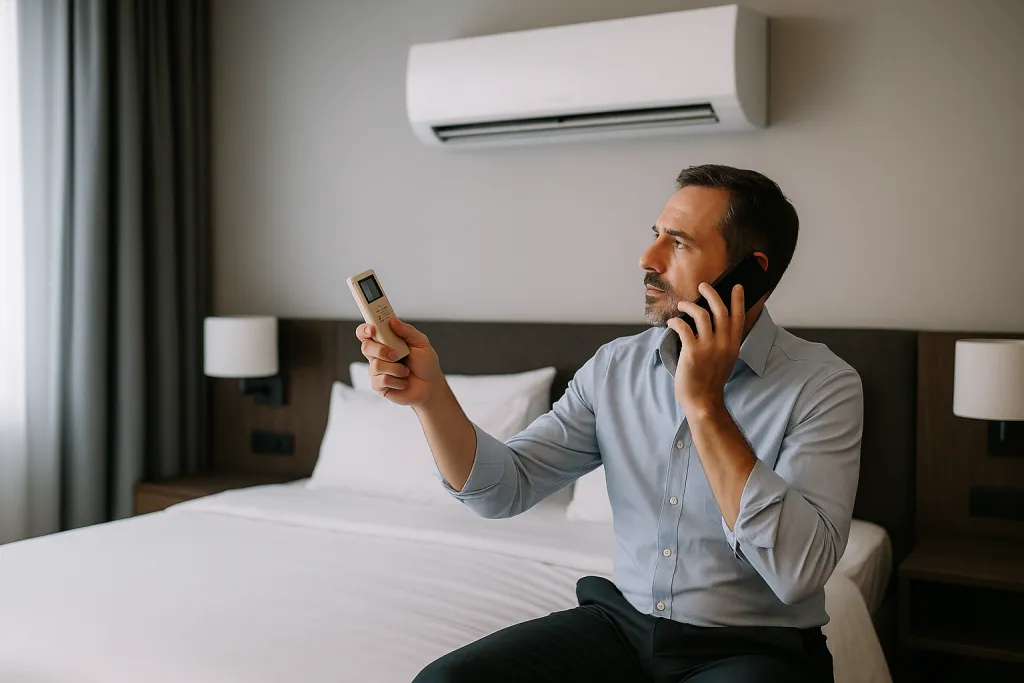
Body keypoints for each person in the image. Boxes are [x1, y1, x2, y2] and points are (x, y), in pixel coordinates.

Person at [356, 164, 863, 683]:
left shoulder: (824, 386)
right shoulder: (615, 368)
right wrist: (431, 397)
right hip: (621, 627)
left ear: (751, 273)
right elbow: (502, 490)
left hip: (754, 648)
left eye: (680, 243)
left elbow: (798, 573)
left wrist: (705, 406)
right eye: (656, 235)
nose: (648, 259)